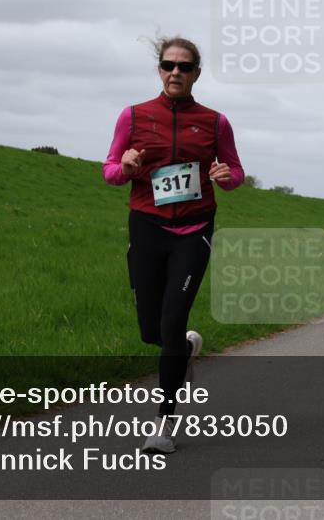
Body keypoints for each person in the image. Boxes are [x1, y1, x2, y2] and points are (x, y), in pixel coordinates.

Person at [102, 36, 245, 455]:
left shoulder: (215, 122)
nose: (176, 73)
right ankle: (184, 349)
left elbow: (235, 172)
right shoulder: (133, 116)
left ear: (197, 73)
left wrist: (225, 177)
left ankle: (163, 425)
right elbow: (109, 169)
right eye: (168, 65)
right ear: (159, 70)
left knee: (170, 320)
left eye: (185, 67)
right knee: (152, 329)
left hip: (194, 229)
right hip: (147, 225)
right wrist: (125, 168)